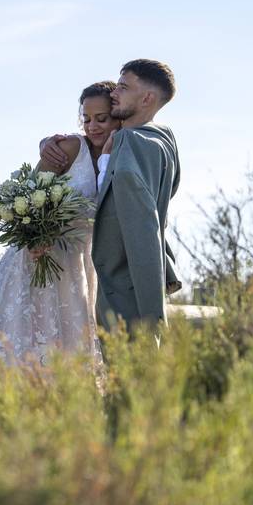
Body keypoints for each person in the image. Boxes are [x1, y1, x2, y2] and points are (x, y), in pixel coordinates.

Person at [0, 82, 119, 376]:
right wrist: (35, 238)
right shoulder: (70, 147)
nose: (93, 126)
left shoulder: (119, 154)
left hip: (77, 268)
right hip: (36, 260)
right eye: (87, 118)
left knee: (66, 355)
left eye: (102, 118)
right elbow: (27, 197)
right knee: (23, 351)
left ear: (117, 116)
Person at [43, 60, 180, 333]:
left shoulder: (131, 143)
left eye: (123, 87)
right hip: (88, 272)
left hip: (123, 281)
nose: (114, 93)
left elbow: (143, 222)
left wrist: (152, 302)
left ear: (147, 98)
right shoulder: (164, 141)